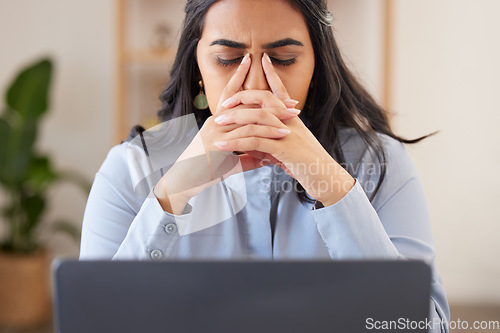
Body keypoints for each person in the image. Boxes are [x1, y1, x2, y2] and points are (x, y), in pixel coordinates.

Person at [80, 0, 450, 331]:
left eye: (284, 59)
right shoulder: (129, 169)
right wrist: (173, 193)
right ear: (197, 68)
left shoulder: (380, 163)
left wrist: (331, 185)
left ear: (316, 65)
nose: (256, 85)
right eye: (227, 60)